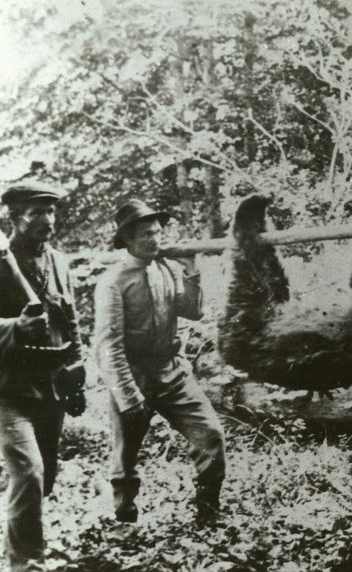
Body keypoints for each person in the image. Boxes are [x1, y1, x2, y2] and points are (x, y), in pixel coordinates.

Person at [0, 181, 83, 571]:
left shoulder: (58, 263)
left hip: (53, 384)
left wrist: (77, 366)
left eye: (51, 212)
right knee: (29, 474)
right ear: (15, 218)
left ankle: (16, 548)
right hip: (11, 387)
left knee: (42, 479)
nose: (48, 220)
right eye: (37, 213)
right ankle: (26, 564)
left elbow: (72, 321)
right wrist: (17, 326)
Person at [93, 199, 226, 522]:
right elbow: (107, 346)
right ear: (126, 240)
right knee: (126, 456)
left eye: (157, 232)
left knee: (211, 436)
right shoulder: (113, 281)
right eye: (145, 235)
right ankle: (124, 518)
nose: (154, 240)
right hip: (132, 374)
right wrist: (127, 395)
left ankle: (207, 510)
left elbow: (193, 311)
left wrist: (192, 269)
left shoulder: (166, 268)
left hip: (172, 371)